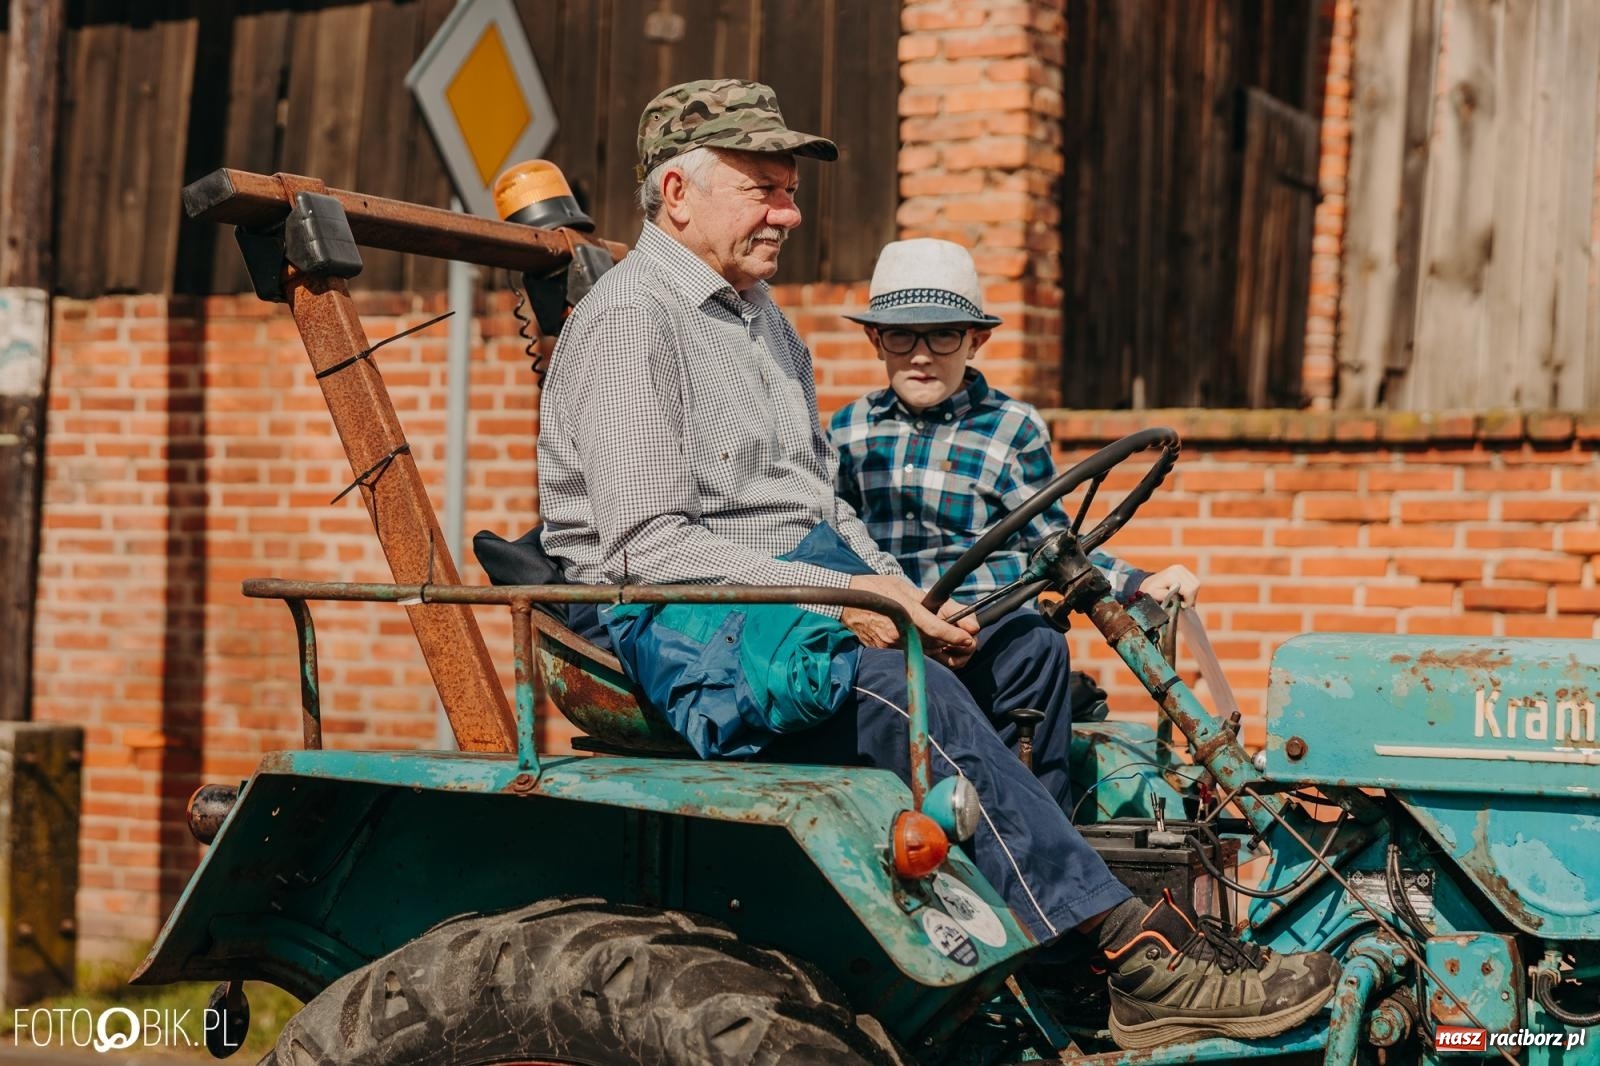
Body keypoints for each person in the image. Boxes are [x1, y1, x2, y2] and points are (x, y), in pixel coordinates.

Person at [536, 77, 1337, 1051]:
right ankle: (1127, 956)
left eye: (790, 190)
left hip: (785, 582)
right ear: (675, 193)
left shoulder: (760, 321)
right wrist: (853, 597)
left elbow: (821, 506)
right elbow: (646, 548)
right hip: (685, 614)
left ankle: (1036, 961)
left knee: (1012, 650)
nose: (790, 212)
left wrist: (910, 594)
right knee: (903, 688)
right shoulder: (631, 321)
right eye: (765, 189)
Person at [827, 239, 1201, 790]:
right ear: (874, 339)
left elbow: (1055, 541)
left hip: (983, 625)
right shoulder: (847, 430)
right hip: (894, 630)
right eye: (901, 335)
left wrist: (1139, 582)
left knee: (1039, 641)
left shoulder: (1012, 428)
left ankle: (1038, 820)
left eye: (944, 334)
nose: (921, 354)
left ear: (976, 340)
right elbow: (831, 538)